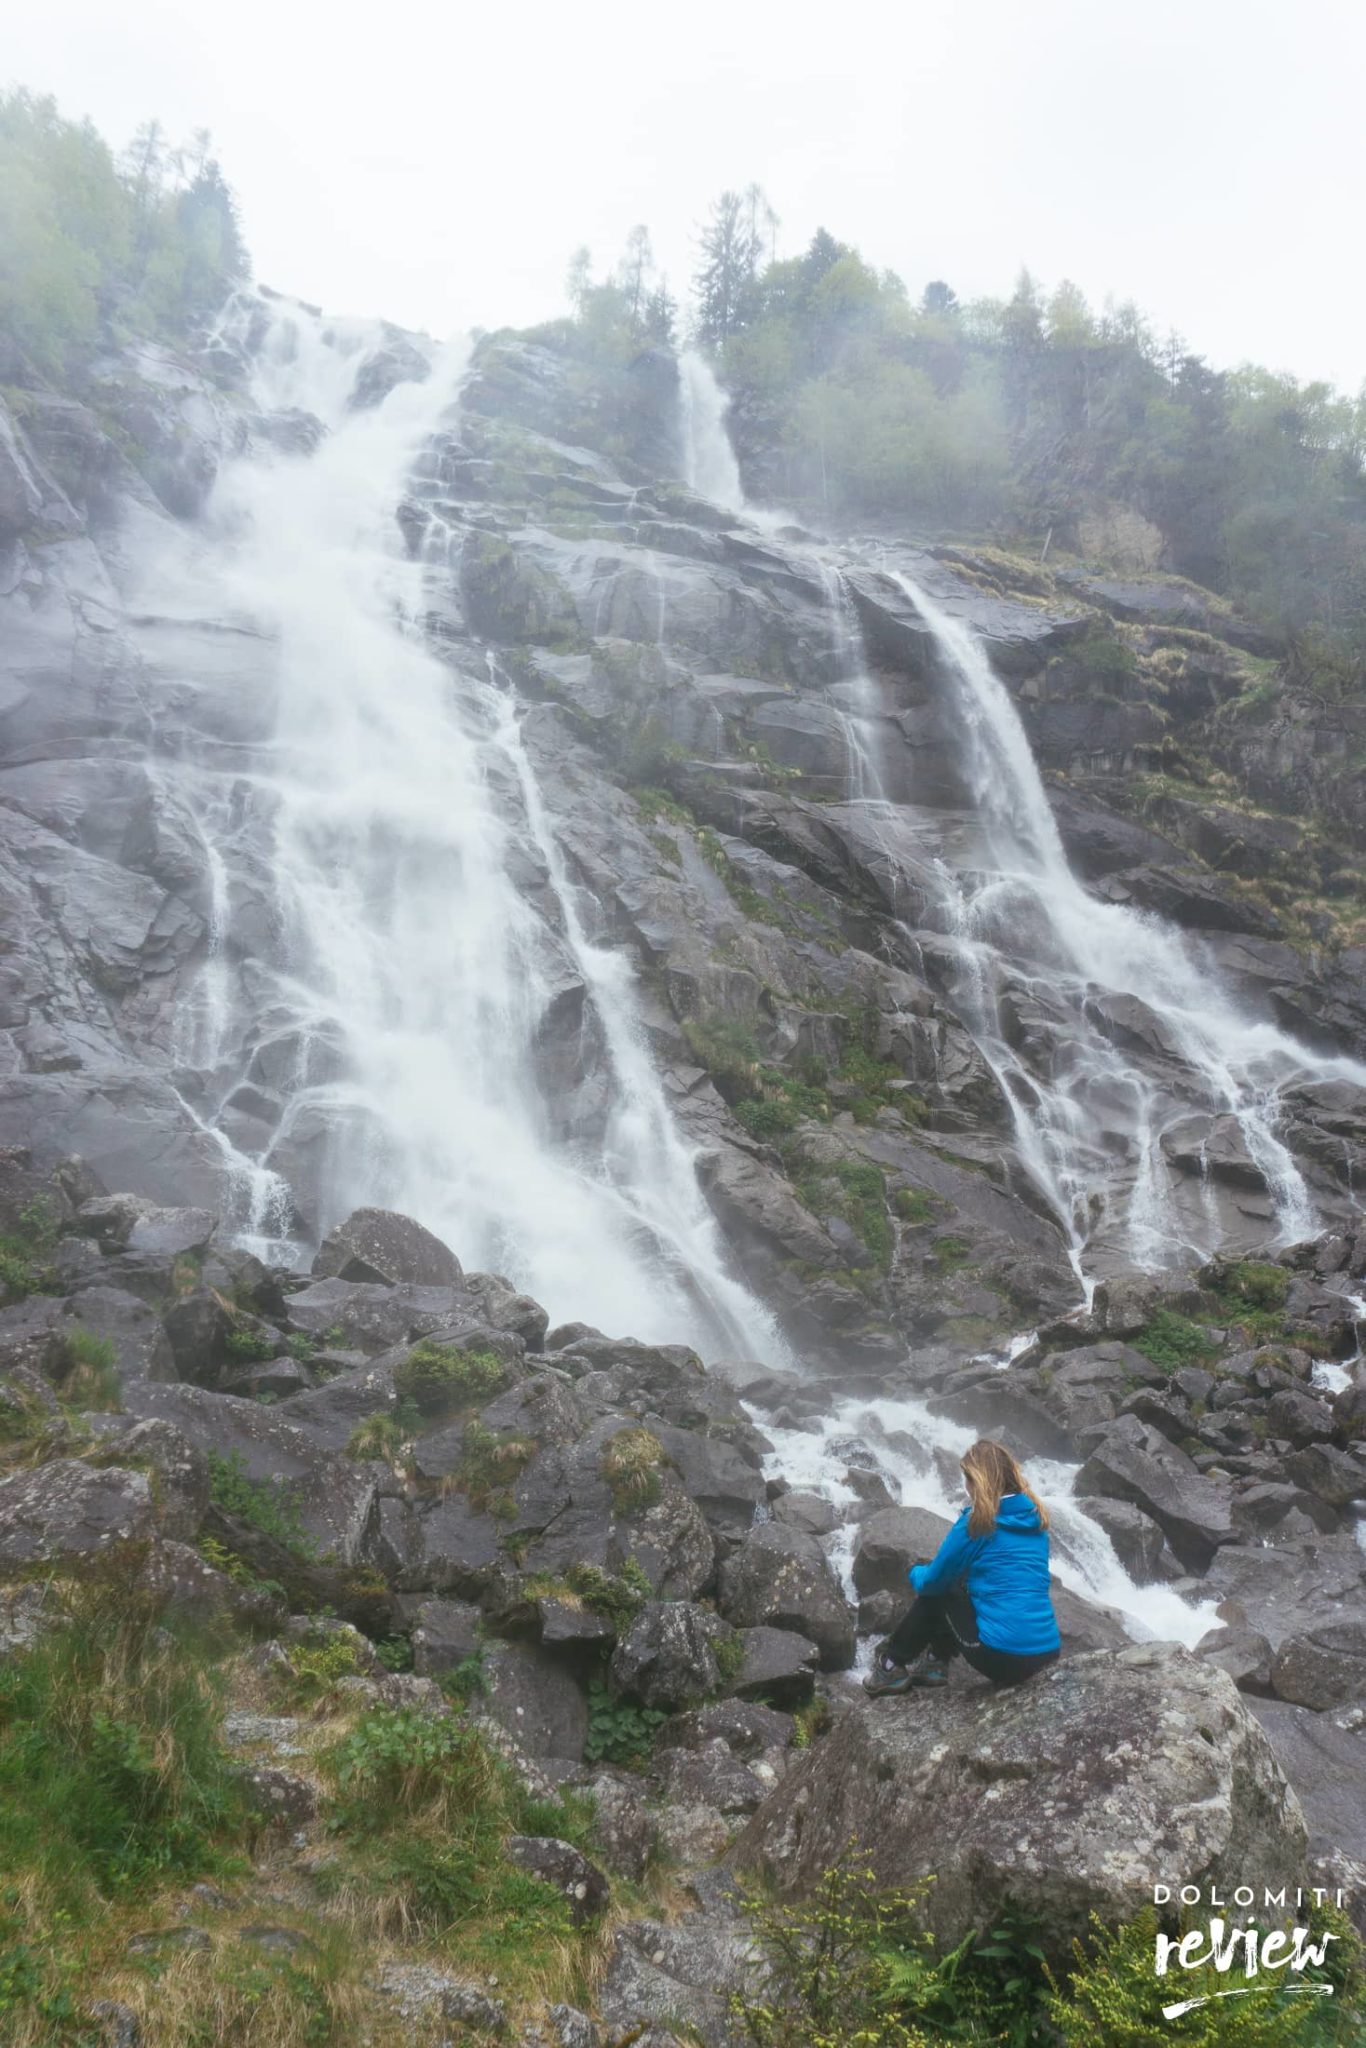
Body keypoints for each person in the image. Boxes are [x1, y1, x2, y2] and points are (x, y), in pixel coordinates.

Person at [863, 1438, 1061, 1697]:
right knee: (959, 1582)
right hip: (1047, 1654)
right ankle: (934, 1661)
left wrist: (914, 1572)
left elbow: (933, 1582)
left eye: (967, 1480)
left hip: (1004, 1658)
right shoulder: (1036, 1521)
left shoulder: (977, 1522)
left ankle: (890, 1666)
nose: (965, 1488)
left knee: (941, 1589)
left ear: (976, 1481)